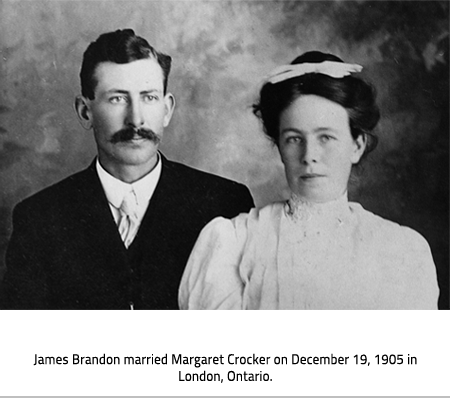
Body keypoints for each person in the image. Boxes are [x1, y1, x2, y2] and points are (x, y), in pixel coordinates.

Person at [2, 29, 254, 310]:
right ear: (85, 112)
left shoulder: (225, 204)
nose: (136, 119)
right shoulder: (39, 220)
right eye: (117, 99)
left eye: (148, 97)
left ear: (167, 109)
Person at [179, 51, 440, 310]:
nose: (309, 156)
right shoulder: (236, 241)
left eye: (325, 137)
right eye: (294, 139)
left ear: (357, 146)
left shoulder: (401, 250)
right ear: (280, 147)